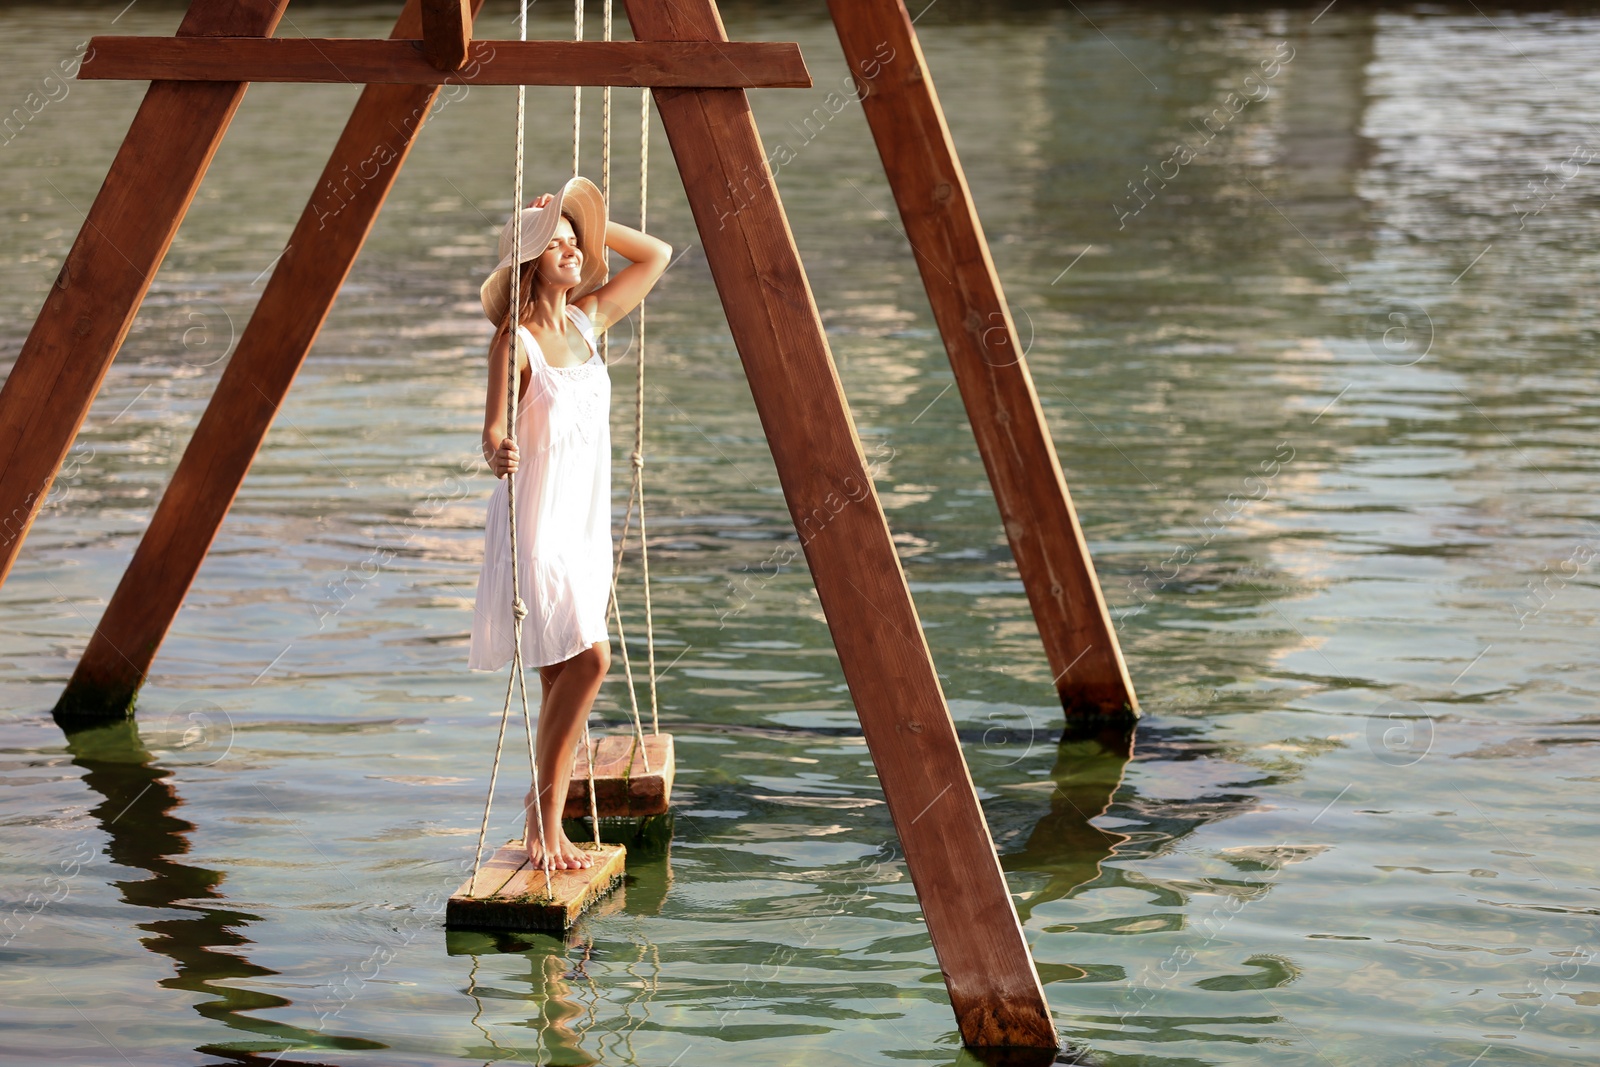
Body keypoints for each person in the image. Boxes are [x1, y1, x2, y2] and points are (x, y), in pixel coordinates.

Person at [467, 176, 671, 871]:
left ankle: (549, 828)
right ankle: (538, 816)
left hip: (585, 524)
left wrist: (587, 222)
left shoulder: (588, 323)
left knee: (565, 677)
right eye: (555, 246)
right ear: (529, 262)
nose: (572, 253)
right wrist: (498, 449)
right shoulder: (514, 342)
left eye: (572, 244)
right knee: (591, 659)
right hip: (538, 521)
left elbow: (658, 256)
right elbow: (492, 430)